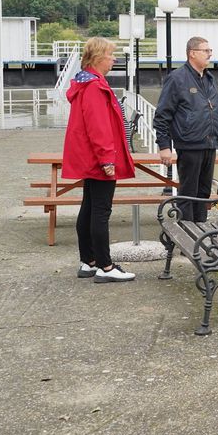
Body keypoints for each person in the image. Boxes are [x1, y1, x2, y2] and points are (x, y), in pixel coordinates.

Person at [62, 37, 137, 283]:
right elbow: (99, 127)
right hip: (100, 158)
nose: (114, 59)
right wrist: (107, 159)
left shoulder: (86, 84)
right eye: (110, 54)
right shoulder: (94, 86)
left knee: (89, 207)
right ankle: (105, 266)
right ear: (98, 58)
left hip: (89, 156)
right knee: (100, 210)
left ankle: (88, 261)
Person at [153, 36, 218, 221]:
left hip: (210, 144)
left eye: (210, 50)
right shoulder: (177, 78)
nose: (210, 54)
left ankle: (200, 229)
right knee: (188, 192)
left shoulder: (209, 79)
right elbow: (162, 114)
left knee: (203, 192)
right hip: (189, 145)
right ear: (192, 53)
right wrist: (164, 146)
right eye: (206, 50)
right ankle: (186, 233)